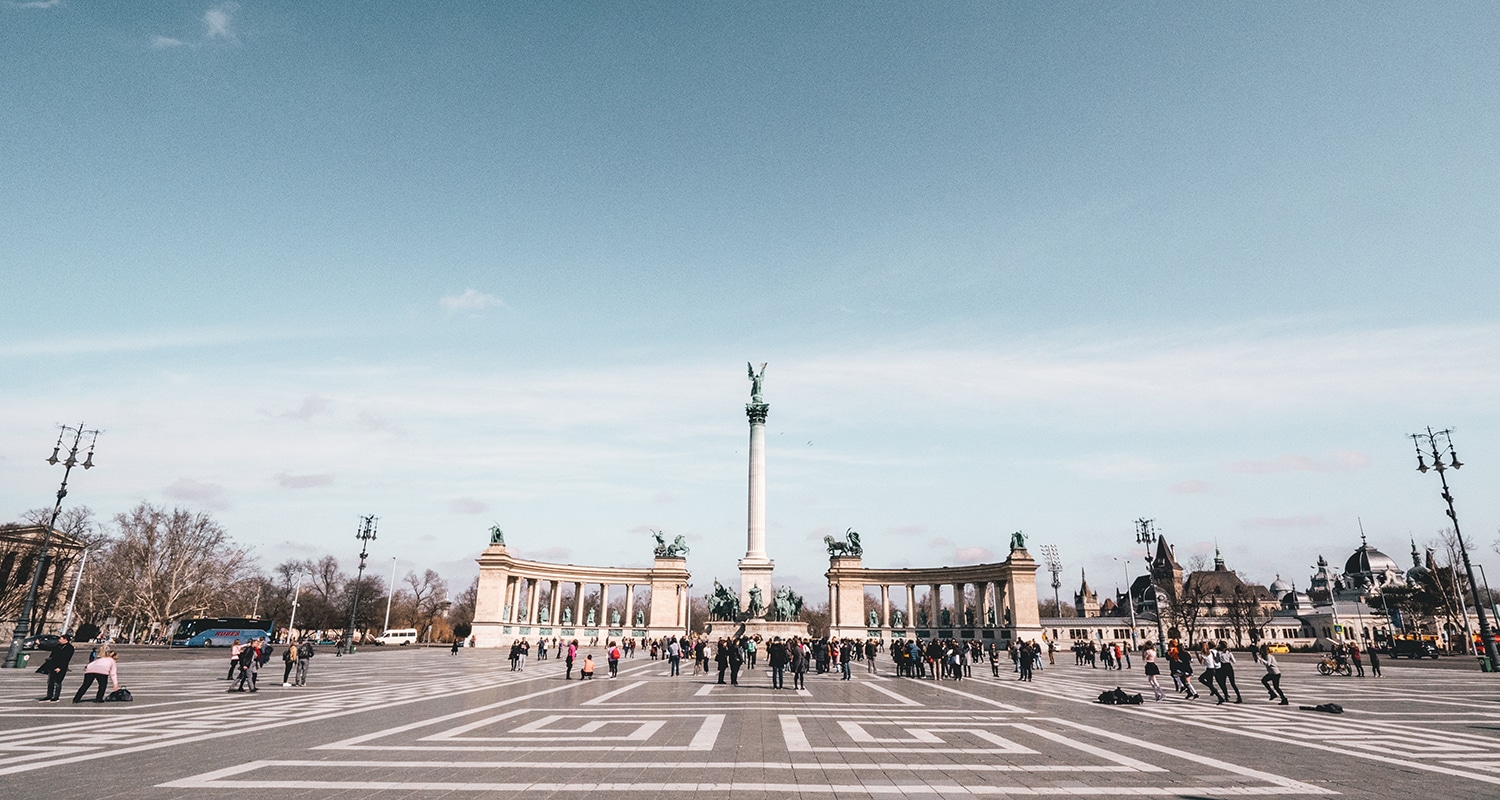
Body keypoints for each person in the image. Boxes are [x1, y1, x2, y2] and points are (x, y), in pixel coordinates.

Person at [36, 633, 75, 702]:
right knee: (50, 681)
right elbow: (49, 648)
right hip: (52, 665)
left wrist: (60, 667)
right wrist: (40, 644)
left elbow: (66, 659)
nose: (59, 640)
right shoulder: (58, 646)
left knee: (57, 682)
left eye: (61, 638)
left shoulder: (69, 648)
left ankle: (56, 697)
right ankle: (49, 696)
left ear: (65, 640)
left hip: (60, 667)